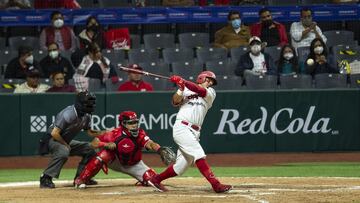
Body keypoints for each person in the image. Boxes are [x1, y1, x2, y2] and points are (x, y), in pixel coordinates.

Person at [147, 71, 232, 193]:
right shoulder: (186, 90)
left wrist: (183, 82)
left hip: (195, 131)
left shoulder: (211, 93)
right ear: (201, 78)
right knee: (198, 154)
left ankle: (155, 180)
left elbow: (200, 91)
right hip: (182, 127)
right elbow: (175, 102)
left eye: (212, 81)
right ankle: (216, 185)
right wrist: (181, 88)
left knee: (180, 167)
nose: (210, 82)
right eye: (208, 79)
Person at [74, 111, 175, 188]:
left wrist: (159, 149)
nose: (135, 125)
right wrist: (105, 144)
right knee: (103, 155)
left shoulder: (140, 133)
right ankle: (81, 180)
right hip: (116, 161)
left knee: (153, 180)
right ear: (123, 124)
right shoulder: (113, 134)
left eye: (136, 122)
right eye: (131, 123)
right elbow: (93, 143)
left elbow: (150, 143)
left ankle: (143, 180)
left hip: (134, 165)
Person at [39, 91, 104, 188]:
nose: (90, 104)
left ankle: (81, 178)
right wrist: (66, 145)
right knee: (63, 151)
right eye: (88, 102)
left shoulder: (87, 115)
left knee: (91, 149)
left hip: (65, 141)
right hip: (51, 139)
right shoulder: (68, 113)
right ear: (80, 103)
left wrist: (104, 132)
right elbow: (55, 133)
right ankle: (46, 178)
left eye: (91, 102)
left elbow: (90, 132)